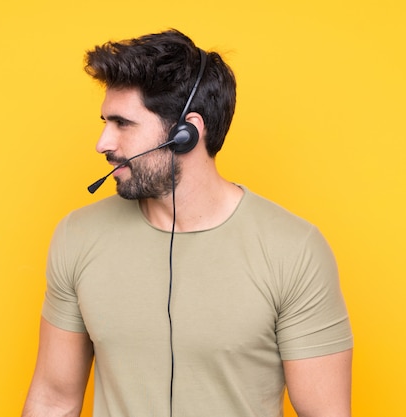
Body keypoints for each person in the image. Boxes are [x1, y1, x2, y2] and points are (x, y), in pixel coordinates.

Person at [22, 29, 353, 417]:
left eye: (122, 123)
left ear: (186, 132)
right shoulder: (77, 235)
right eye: (105, 122)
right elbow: (53, 399)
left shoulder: (294, 250)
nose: (103, 143)